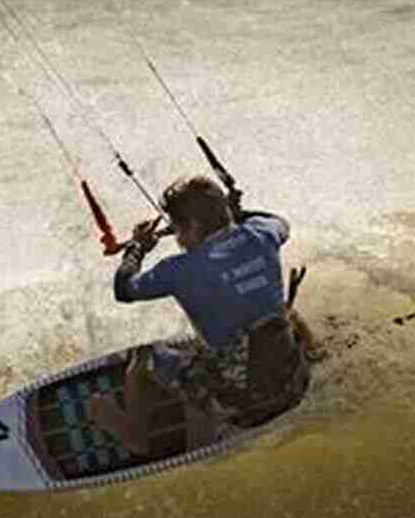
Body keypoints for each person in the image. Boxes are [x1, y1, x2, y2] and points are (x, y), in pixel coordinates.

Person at [88, 175, 315, 455]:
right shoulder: (261, 234)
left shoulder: (180, 269)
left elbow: (124, 290)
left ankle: (136, 436)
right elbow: (278, 221)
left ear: (193, 226)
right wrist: (235, 213)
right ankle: (318, 356)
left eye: (178, 230)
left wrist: (137, 249)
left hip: (245, 407)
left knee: (144, 357)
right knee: (280, 313)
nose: (178, 239)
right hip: (296, 387)